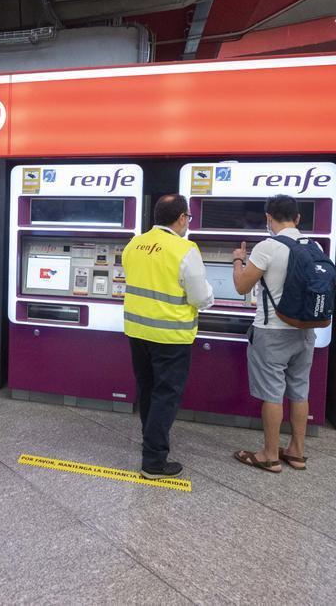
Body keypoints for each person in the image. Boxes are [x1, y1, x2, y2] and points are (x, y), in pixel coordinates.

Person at [121, 194, 214, 480]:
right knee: (166, 395)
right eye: (188, 217)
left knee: (148, 389)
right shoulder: (185, 249)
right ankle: (154, 462)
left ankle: (150, 441)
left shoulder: (134, 243)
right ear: (182, 217)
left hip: (137, 331)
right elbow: (200, 297)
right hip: (171, 335)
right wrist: (210, 297)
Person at [230, 195, 317, 474]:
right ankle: (297, 451)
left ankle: (269, 454)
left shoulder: (267, 247)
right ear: (298, 218)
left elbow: (243, 287)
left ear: (269, 217)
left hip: (271, 332)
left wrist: (238, 262)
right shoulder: (312, 245)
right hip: (305, 331)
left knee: (272, 394)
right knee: (300, 392)